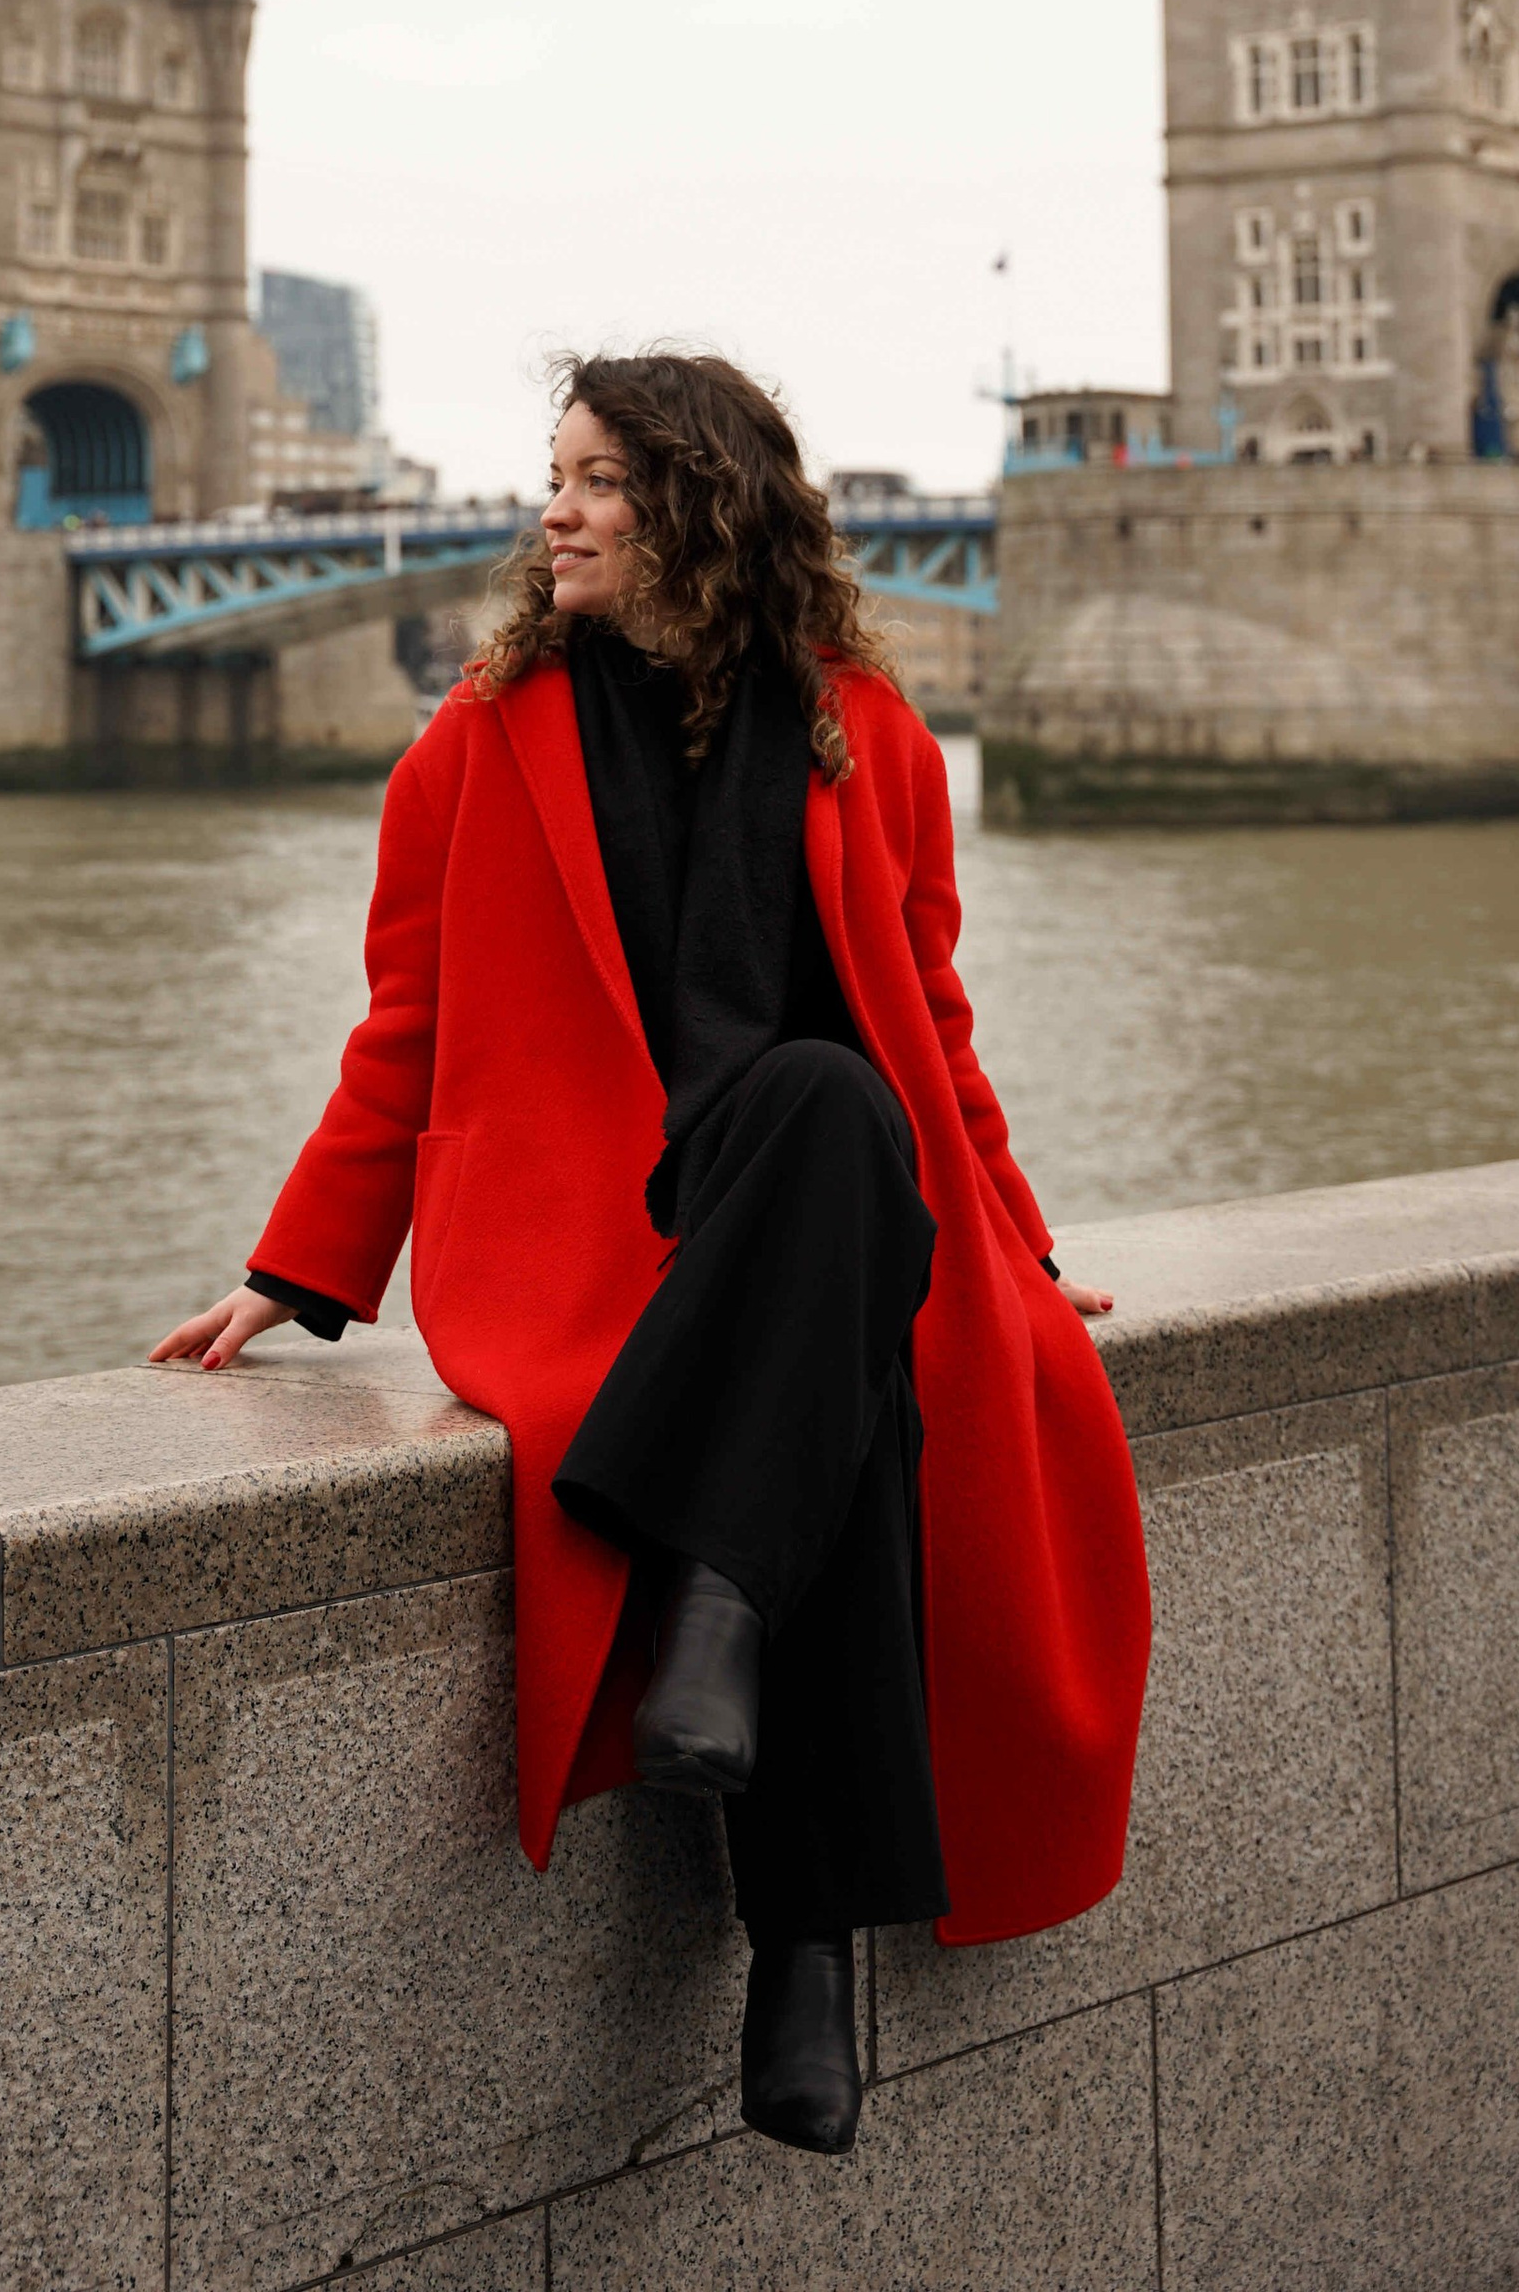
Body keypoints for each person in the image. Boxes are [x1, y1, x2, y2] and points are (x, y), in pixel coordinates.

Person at [154, 354, 1150, 2155]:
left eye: (598, 480)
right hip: (596, 1224)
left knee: (844, 1107)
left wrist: (1015, 1236)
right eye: (554, 477)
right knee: (841, 1384)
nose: (554, 511)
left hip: (806, 1189)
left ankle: (717, 1625)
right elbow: (408, 1021)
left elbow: (933, 1020)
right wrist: (297, 1265)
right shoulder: (484, 732)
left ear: (699, 502)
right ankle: (802, 1944)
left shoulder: (866, 730)